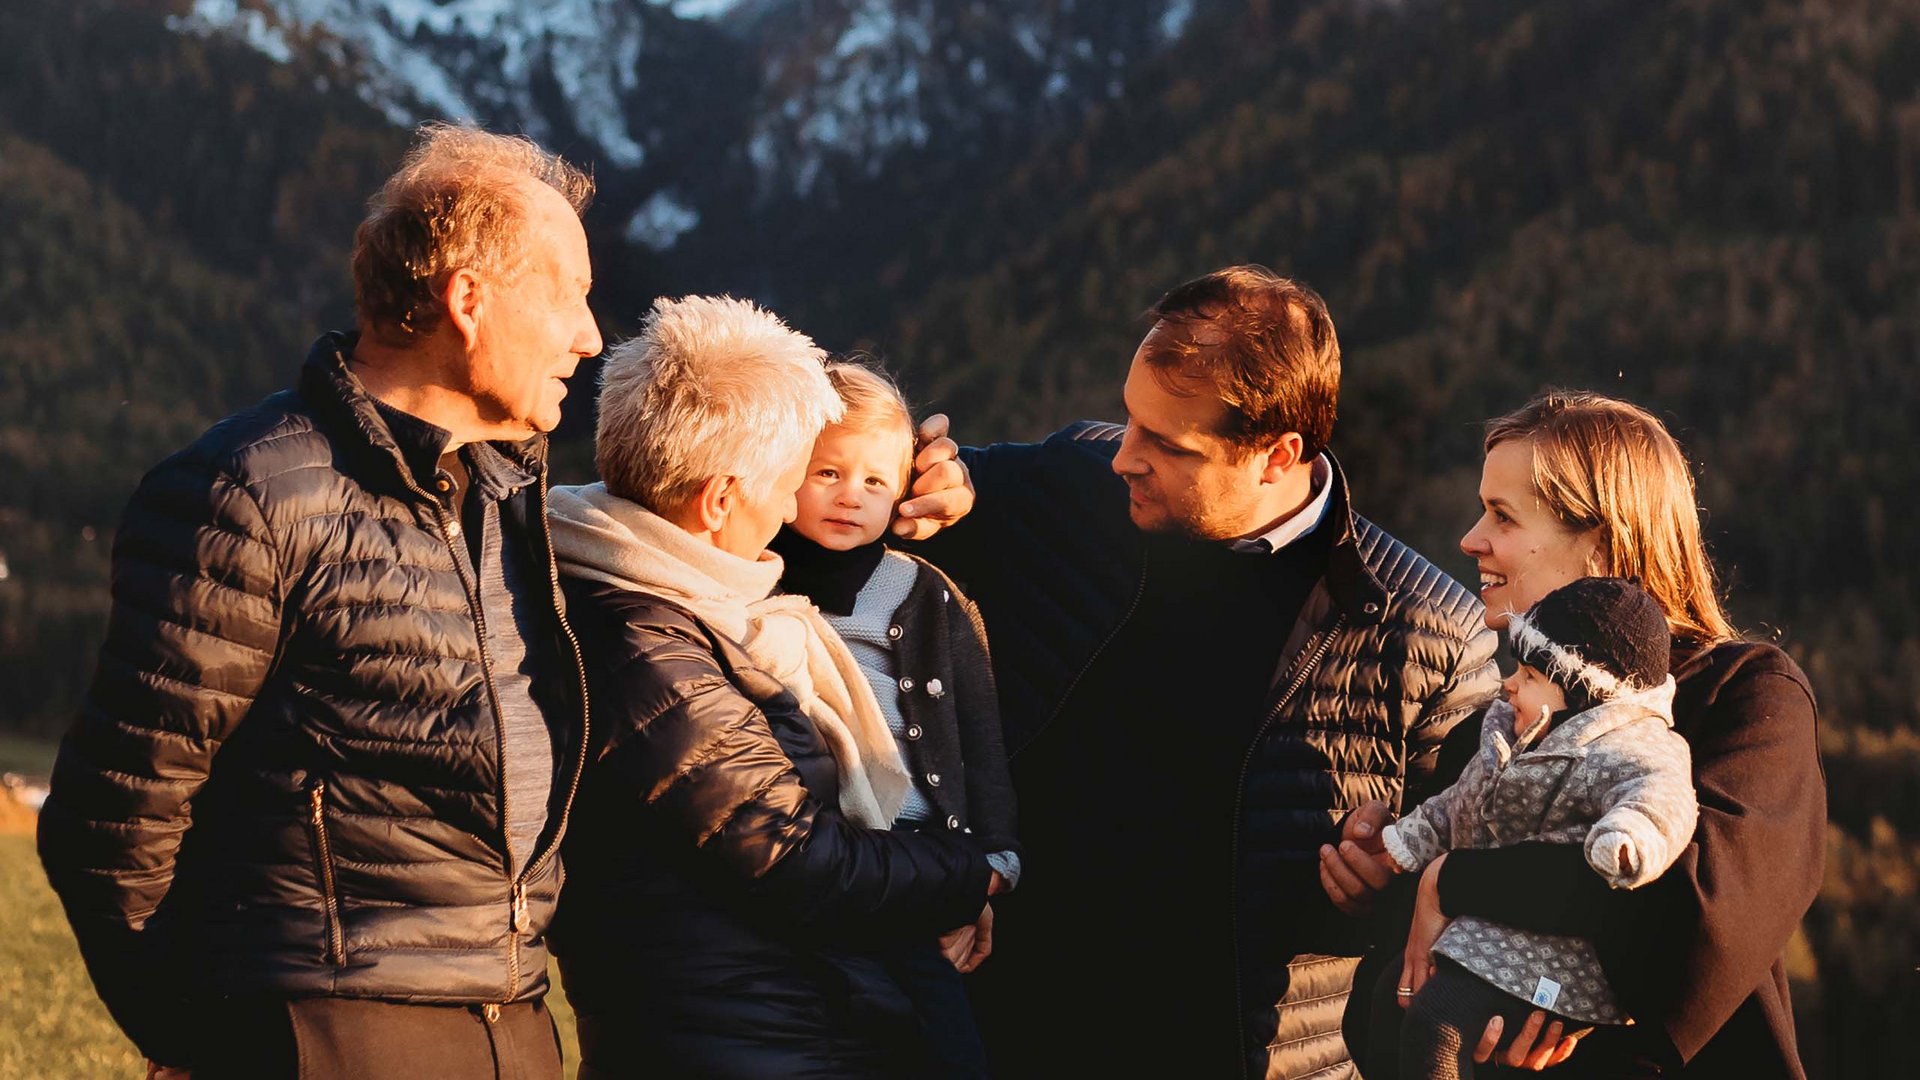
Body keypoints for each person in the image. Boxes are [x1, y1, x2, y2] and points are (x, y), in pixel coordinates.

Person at [36, 123, 602, 1079]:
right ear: (470, 300)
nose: (591, 337)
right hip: (323, 1038)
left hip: (517, 1030)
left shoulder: (518, 499)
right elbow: (112, 814)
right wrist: (197, 1038)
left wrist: (928, 492)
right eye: (574, 299)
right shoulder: (251, 491)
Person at [912, 265, 1502, 1077]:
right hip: (996, 1033)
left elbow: (1462, 888)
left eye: (1165, 443)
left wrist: (1380, 888)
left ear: (1277, 455)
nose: (1124, 456)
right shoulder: (1069, 483)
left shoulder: (1424, 631)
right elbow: (883, 509)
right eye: (1130, 420)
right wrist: (924, 485)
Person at [545, 295, 999, 1079]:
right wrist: (974, 875)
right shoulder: (647, 645)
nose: (795, 507)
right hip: (744, 1043)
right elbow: (797, 857)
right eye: (796, 479)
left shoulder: (682, 592)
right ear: (720, 499)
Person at [1320, 391, 1826, 1079]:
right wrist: (1383, 882)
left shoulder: (1746, 695)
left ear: (1601, 542)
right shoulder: (1497, 729)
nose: (1471, 539)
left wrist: (1454, 880)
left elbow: (1695, 916)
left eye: (1503, 515)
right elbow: (1397, 988)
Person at [768, 360, 1022, 1077]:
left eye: (876, 481)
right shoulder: (756, 578)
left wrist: (995, 857)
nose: (851, 496)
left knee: (942, 1039)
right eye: (827, 473)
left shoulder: (923, 591)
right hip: (811, 841)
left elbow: (978, 733)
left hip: (916, 845)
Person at [1364, 577, 1697, 1080]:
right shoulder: (1508, 734)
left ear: (1583, 692)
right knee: (1392, 996)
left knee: (1439, 1020)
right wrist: (1404, 844)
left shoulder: (1628, 747)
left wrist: (1629, 838)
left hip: (1558, 954)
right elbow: (1456, 805)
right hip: (1487, 934)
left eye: (1531, 674)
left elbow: (1663, 795)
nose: (1509, 684)